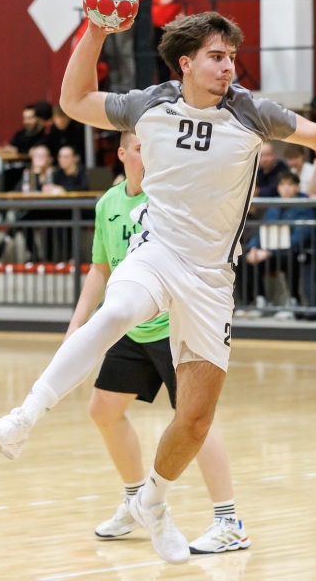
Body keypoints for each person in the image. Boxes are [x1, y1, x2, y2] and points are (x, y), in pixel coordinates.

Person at [0, 11, 316, 565]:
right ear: (185, 63)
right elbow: (74, 101)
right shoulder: (149, 105)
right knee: (116, 313)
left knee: (196, 419)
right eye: (217, 56)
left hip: (211, 279)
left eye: (232, 57)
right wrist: (96, 32)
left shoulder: (250, 111)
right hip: (158, 251)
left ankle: (153, 502)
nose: (228, 67)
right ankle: (21, 420)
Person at [67, 130, 249, 554]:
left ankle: (229, 522)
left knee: (194, 422)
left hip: (175, 325)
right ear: (123, 154)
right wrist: (77, 324)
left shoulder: (170, 201)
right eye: (140, 147)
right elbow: (100, 268)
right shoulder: (108, 204)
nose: (148, 154)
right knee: (103, 409)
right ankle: (137, 502)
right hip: (134, 328)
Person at [243, 170, 316, 317]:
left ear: (297, 187)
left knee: (288, 258)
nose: (286, 188)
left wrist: (270, 252)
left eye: (290, 184)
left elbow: (301, 236)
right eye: (282, 185)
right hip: (270, 252)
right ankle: (259, 300)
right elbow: (262, 230)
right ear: (278, 188)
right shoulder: (274, 205)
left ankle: (293, 300)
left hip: (294, 251)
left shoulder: (305, 205)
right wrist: (253, 248)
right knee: (244, 258)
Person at [99, 0, 143, 93]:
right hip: (107, 14)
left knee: (124, 51)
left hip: (124, 14)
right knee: (111, 52)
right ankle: (114, 86)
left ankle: (128, 87)